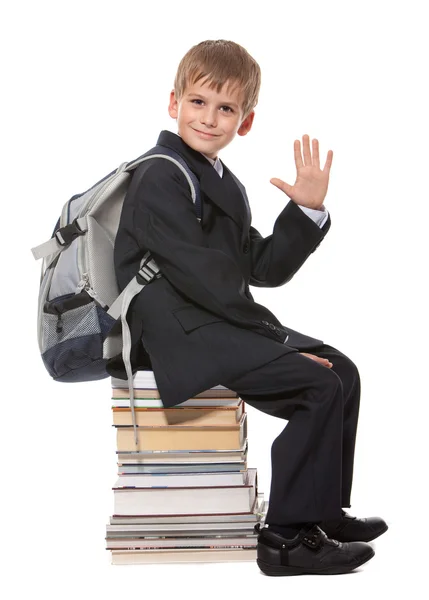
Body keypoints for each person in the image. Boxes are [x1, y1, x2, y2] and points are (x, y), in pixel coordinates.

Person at [108, 39, 388, 576]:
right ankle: (284, 540)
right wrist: (277, 342)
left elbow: (260, 268)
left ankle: (321, 513)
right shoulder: (159, 175)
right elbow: (207, 279)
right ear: (173, 103)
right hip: (176, 334)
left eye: (226, 108)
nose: (210, 119)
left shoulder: (220, 180)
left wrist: (306, 210)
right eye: (198, 102)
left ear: (246, 121)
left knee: (343, 372)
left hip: (209, 319)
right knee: (318, 383)